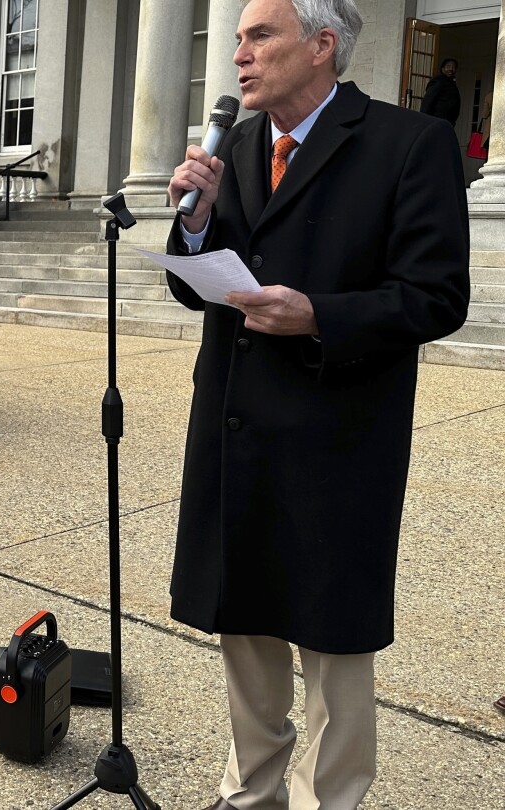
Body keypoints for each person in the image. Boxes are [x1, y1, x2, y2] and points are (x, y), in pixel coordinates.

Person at [164, 2, 470, 809]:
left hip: (338, 438)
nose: (240, 55)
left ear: (322, 45)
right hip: (236, 428)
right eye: (237, 40)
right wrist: (193, 225)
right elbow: (194, 283)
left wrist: (319, 315)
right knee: (247, 632)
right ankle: (250, 792)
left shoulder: (410, 144)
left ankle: (323, 803)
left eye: (259, 36)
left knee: (333, 644)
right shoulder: (233, 145)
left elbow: (437, 297)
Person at [420, 57, 461, 126]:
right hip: (436, 120)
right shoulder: (438, 81)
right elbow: (428, 101)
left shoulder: (451, 83)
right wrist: (424, 120)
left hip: (447, 122)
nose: (451, 69)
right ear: (442, 69)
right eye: (448, 66)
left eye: (453, 67)